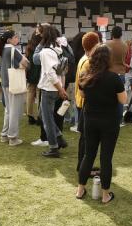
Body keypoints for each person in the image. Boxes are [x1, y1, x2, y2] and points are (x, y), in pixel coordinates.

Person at [76, 45, 126, 204]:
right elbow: (123, 100)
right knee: (106, 158)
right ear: (108, 60)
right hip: (109, 122)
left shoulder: (85, 75)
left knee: (88, 155)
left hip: (90, 120)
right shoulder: (114, 78)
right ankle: (105, 195)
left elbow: (82, 94)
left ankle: (80, 190)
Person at [37, 26, 70, 157]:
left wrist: (60, 89)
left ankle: (53, 147)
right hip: (55, 88)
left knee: (47, 119)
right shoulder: (58, 50)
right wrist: (61, 87)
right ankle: (59, 137)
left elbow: (50, 73)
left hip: (49, 88)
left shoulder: (46, 52)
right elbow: (62, 70)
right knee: (44, 115)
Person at [74, 31, 101, 173]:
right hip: (84, 102)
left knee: (85, 138)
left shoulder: (83, 59)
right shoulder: (87, 62)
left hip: (81, 101)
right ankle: (83, 166)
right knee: (86, 139)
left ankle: (84, 165)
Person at [0, 29, 28, 147]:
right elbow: (26, 63)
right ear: (9, 39)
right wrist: (22, 64)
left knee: (9, 110)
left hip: (5, 82)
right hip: (14, 83)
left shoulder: (3, 49)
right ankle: (13, 137)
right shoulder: (12, 50)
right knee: (15, 111)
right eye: (15, 37)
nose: (17, 39)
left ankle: (4, 135)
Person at [105, 26, 129, 116]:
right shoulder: (125, 45)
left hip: (110, 73)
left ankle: (110, 116)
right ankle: (119, 118)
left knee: (109, 96)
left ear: (112, 34)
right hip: (121, 73)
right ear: (121, 34)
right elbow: (125, 59)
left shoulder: (107, 44)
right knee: (121, 98)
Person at [24, 32, 43, 126]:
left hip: (31, 73)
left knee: (30, 94)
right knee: (40, 94)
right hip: (40, 73)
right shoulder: (42, 48)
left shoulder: (29, 47)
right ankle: (40, 116)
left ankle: (30, 115)